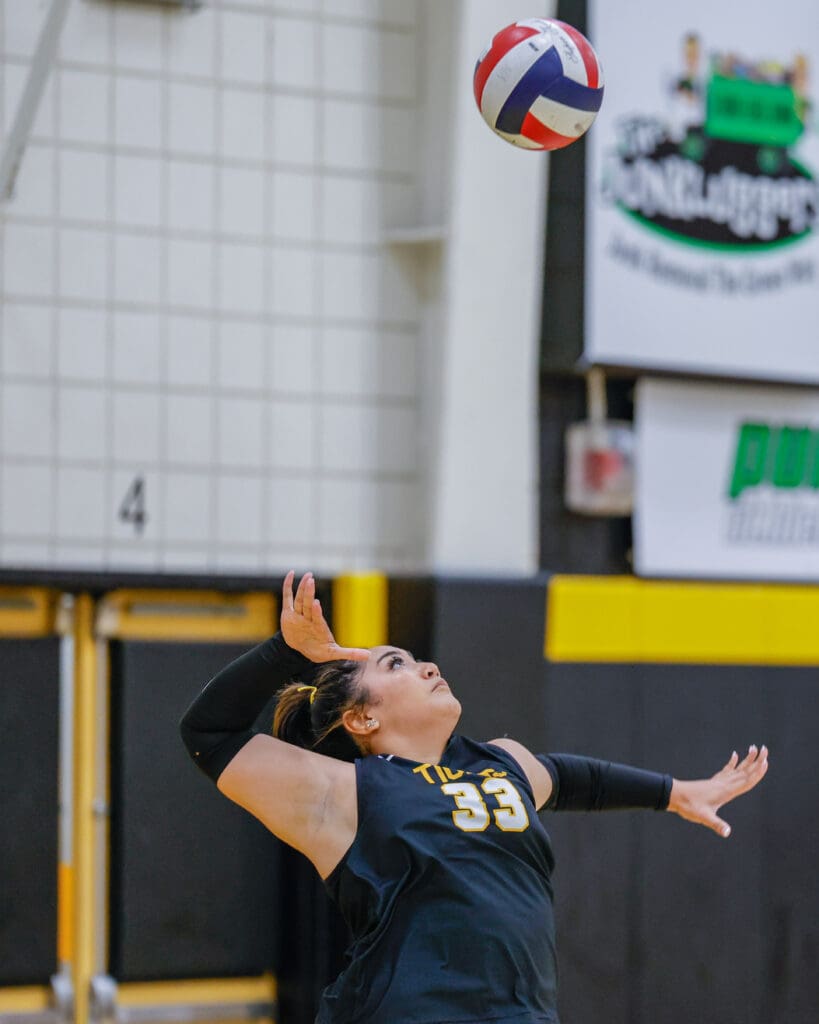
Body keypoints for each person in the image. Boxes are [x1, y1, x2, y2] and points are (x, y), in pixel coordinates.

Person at [180, 571, 769, 1024]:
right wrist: (286, 652)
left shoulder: (502, 762)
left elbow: (570, 778)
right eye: (397, 666)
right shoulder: (345, 792)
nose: (427, 666)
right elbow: (209, 734)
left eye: (416, 659)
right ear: (360, 718)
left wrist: (677, 794)